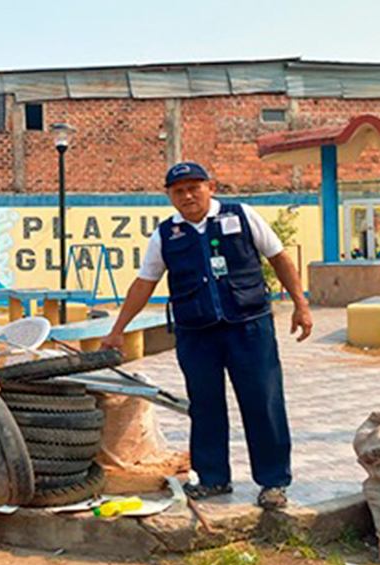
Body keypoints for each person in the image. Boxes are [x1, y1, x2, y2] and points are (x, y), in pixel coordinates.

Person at [101, 162, 313, 510]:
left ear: (210, 187)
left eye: (193, 187)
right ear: (169, 196)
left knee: (263, 401)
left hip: (249, 326)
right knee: (205, 406)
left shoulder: (241, 215)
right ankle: (213, 477)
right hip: (196, 333)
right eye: (178, 190)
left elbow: (279, 257)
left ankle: (273, 482)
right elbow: (144, 283)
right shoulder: (166, 235)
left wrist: (300, 304)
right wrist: (117, 329)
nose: (187, 195)